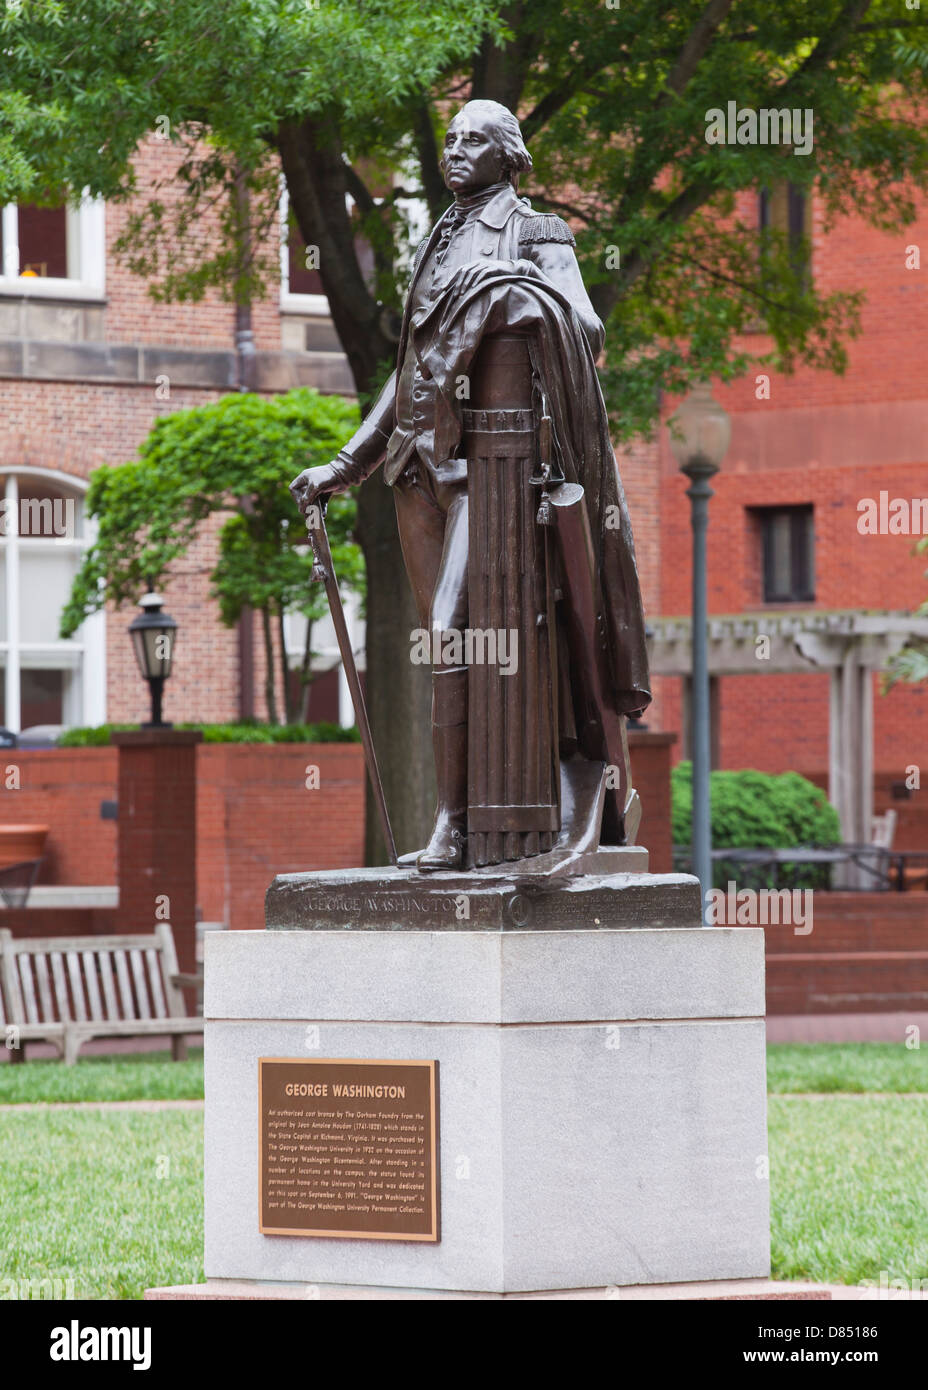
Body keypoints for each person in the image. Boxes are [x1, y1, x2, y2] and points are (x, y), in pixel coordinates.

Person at [290, 99, 649, 870]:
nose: (454, 151)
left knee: (457, 629)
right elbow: (412, 372)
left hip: (503, 473)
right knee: (448, 650)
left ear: (509, 155)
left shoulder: (536, 231)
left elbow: (586, 331)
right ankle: (463, 823)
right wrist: (346, 464)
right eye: (448, 139)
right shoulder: (438, 239)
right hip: (423, 476)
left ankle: (462, 826)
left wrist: (507, 283)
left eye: (473, 140)